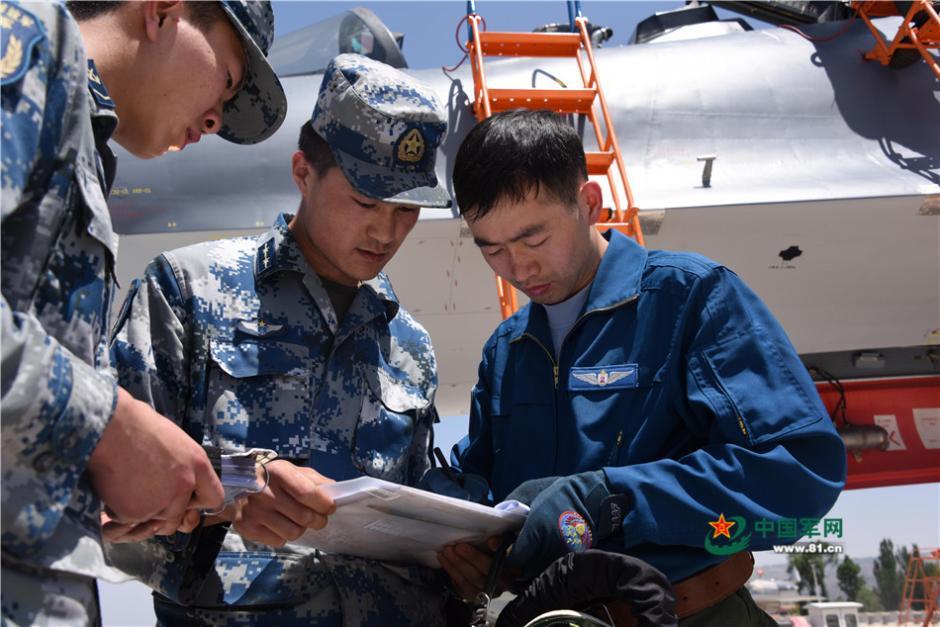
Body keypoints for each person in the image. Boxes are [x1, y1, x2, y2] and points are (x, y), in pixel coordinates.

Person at [439, 109, 847, 625]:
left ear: (589, 204)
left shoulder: (691, 299)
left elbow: (800, 477)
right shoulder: (505, 350)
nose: (518, 268)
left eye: (533, 240)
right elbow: (484, 492)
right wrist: (456, 529)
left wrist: (616, 500)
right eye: (492, 250)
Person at [107, 53, 453, 626]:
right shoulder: (187, 290)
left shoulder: (409, 347)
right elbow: (104, 492)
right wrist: (234, 491)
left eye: (407, 210)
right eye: (366, 202)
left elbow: (409, 534)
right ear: (303, 171)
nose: (386, 231)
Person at [1, 1, 286, 624]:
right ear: (161, 11)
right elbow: (96, 417)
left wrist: (234, 481)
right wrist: (104, 425)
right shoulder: (24, 47)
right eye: (228, 80)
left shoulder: (85, 145)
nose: (215, 119)